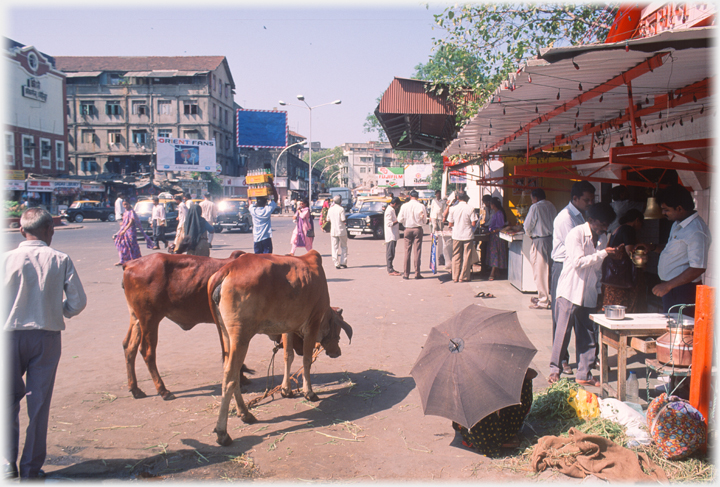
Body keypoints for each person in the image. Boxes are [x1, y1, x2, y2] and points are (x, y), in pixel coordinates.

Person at [3, 208, 87, 479]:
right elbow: (78, 302)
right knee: (38, 406)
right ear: (50, 230)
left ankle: (6, 465)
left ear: (20, 230)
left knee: (6, 402)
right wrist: (60, 310)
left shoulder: (6, 259)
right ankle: (30, 468)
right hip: (46, 337)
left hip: (8, 337)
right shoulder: (60, 259)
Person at [548, 203, 620, 386]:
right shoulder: (576, 234)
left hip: (588, 292)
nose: (604, 228)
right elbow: (579, 262)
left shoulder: (602, 238)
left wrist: (597, 291)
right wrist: (603, 253)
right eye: (601, 224)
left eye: (606, 225)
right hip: (570, 290)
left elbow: (596, 270)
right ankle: (554, 370)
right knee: (562, 332)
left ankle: (584, 373)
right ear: (591, 220)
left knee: (587, 334)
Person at [550, 180, 596, 376]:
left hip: (580, 266)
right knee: (562, 319)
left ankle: (584, 362)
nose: (589, 203)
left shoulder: (582, 216)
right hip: (564, 267)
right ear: (575, 198)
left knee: (581, 317)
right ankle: (560, 360)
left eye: (592, 200)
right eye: (586, 200)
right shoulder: (566, 218)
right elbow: (575, 249)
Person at [652, 184, 712, 317]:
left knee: (682, 332)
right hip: (673, 289)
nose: (663, 213)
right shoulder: (678, 224)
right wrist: (652, 247)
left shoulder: (696, 230)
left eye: (666, 210)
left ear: (679, 208)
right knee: (672, 329)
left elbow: (698, 267)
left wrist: (668, 285)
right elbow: (674, 252)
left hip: (684, 290)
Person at [452, 368, 537, 457]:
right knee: (523, 380)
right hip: (489, 429)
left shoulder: (462, 371)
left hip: (467, 426)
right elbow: (532, 374)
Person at [602, 209, 646, 313]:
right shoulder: (628, 229)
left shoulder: (617, 229)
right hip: (623, 278)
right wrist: (642, 263)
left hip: (613, 277)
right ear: (637, 220)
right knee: (626, 308)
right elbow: (630, 252)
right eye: (641, 223)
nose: (641, 226)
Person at [523, 188, 557, 310]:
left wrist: (530, 234)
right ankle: (551, 297)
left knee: (540, 271)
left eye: (532, 199)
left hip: (540, 240)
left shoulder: (535, 207)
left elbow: (527, 225)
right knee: (550, 271)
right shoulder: (551, 206)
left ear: (535, 198)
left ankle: (543, 300)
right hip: (551, 240)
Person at [397, 189, 428, 280]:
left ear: (410, 196)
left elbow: (399, 219)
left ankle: (406, 274)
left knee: (407, 252)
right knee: (417, 251)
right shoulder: (421, 206)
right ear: (417, 197)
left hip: (407, 229)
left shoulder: (404, 206)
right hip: (418, 229)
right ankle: (417, 273)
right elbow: (425, 220)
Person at [448, 192, 478, 282]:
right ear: (466, 198)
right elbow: (473, 223)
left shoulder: (452, 209)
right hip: (467, 235)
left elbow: (450, 223)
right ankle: (463, 277)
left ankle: (455, 277)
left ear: (457, 198)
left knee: (456, 255)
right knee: (466, 256)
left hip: (456, 235)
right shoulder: (471, 208)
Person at [113, 199, 150, 266]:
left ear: (129, 204)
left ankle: (135, 259)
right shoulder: (125, 212)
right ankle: (123, 259)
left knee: (132, 245)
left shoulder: (131, 212)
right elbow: (124, 223)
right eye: (124, 204)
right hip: (124, 231)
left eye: (127, 204)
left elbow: (131, 222)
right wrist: (120, 231)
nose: (125, 206)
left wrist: (125, 230)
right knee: (121, 244)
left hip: (130, 231)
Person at [249, 181, 278, 254]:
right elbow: (276, 198)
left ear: (256, 202)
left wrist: (250, 190)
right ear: (265, 203)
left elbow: (249, 201)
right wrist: (271, 184)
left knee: (258, 260)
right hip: (266, 238)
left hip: (256, 239)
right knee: (267, 259)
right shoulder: (267, 210)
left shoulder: (253, 210)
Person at [486, 197, 507, 281]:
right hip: (493, 236)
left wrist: (491, 232)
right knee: (493, 254)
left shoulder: (499, 214)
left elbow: (500, 227)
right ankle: (496, 271)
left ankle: (492, 273)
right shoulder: (495, 213)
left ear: (493, 205)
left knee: (495, 254)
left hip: (496, 237)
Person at [328, 195, 348, 269]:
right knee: (344, 247)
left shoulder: (330, 209)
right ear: (340, 201)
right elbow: (343, 219)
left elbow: (328, 219)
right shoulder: (341, 209)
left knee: (334, 247)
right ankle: (343, 262)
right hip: (341, 230)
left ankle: (336, 263)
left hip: (333, 230)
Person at [384, 197, 403, 276]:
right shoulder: (389, 211)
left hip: (393, 234)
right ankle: (390, 269)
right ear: (395, 204)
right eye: (398, 205)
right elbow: (389, 224)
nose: (398, 207)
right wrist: (398, 220)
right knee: (390, 252)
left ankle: (391, 268)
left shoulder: (392, 210)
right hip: (390, 235)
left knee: (392, 252)